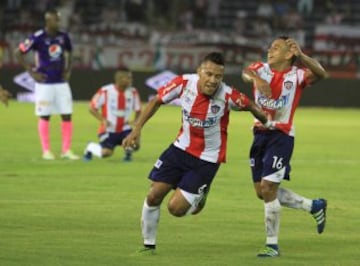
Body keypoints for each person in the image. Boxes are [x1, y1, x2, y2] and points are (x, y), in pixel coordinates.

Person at [122, 52, 273, 254]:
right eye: (208, 74)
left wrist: (267, 124)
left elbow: (252, 106)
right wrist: (137, 128)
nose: (213, 80)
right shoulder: (184, 83)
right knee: (153, 195)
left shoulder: (228, 95)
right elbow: (156, 101)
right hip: (179, 150)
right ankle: (148, 246)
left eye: (218, 76)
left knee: (175, 209)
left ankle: (201, 194)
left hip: (207, 160)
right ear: (199, 71)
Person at [242, 36, 329, 257]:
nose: (269, 51)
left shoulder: (297, 74)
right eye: (269, 47)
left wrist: (302, 56)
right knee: (261, 192)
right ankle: (314, 206)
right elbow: (246, 71)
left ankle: (272, 245)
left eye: (276, 48)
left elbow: (321, 73)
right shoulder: (260, 69)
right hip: (259, 135)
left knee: (268, 188)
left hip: (281, 136)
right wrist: (256, 80)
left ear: (289, 54)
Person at [14, 9, 79, 160]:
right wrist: (31, 72)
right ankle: (46, 151)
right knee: (45, 116)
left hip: (61, 82)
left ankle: (66, 150)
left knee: (67, 115)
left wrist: (68, 70)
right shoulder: (37, 37)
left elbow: (70, 52)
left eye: (58, 20)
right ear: (48, 21)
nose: (58, 22)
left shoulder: (64, 37)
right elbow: (19, 52)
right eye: (56, 20)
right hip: (44, 82)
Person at [83, 67, 142, 162]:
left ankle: (128, 153)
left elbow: (138, 110)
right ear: (120, 79)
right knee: (106, 153)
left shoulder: (133, 92)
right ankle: (90, 147)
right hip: (108, 130)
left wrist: (136, 122)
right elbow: (92, 108)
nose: (131, 80)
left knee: (135, 142)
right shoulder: (106, 91)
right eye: (128, 78)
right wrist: (103, 120)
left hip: (125, 129)